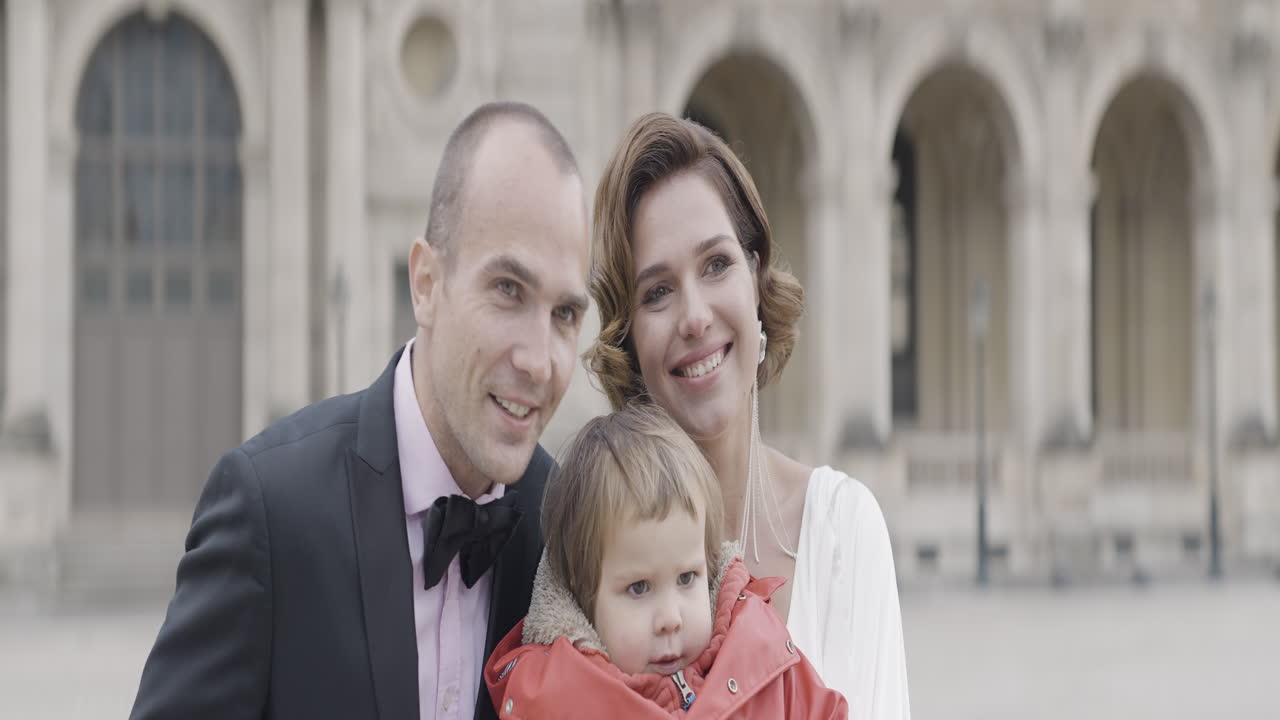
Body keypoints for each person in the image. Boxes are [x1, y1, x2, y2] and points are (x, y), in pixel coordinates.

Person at [129, 101, 591, 720]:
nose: (539, 361)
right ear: (426, 285)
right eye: (508, 290)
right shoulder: (268, 510)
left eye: (565, 314)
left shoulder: (567, 534)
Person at [586, 112, 911, 719]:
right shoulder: (589, 547)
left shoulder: (843, 532)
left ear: (757, 278)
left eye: (716, 264)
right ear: (627, 338)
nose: (694, 317)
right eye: (657, 292)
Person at [485, 402, 847, 719]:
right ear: (584, 592)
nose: (671, 619)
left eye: (687, 578)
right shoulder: (554, 702)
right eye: (639, 588)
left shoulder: (761, 654)